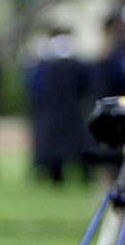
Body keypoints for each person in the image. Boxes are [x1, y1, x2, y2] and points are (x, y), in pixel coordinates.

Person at [27, 28, 92, 184]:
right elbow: (86, 84)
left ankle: (57, 176)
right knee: (75, 143)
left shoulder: (46, 62)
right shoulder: (75, 60)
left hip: (53, 110)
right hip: (72, 109)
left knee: (54, 144)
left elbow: (36, 87)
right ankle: (81, 175)